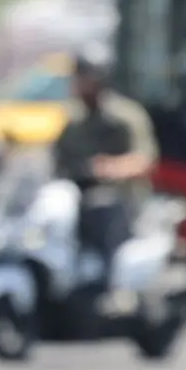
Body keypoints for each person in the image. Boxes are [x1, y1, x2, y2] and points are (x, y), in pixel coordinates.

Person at [51, 44, 157, 283]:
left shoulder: (125, 116)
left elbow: (144, 161)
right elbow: (56, 164)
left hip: (123, 202)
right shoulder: (72, 120)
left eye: (86, 75)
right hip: (76, 200)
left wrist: (107, 168)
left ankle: (112, 284)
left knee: (103, 206)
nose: (81, 82)